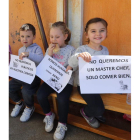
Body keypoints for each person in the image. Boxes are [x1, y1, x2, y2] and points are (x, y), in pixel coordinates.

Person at [66, 17, 109, 128]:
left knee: (101, 107)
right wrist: (79, 56)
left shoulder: (105, 50)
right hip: (85, 85)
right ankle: (86, 112)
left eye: (102, 30)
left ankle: (96, 112)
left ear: (106, 32)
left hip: (99, 84)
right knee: (99, 108)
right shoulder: (82, 49)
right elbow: (71, 63)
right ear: (87, 35)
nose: (98, 34)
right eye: (93, 31)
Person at [36, 21, 75, 140]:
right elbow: (46, 64)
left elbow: (74, 63)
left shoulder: (71, 50)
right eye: (51, 36)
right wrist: (50, 53)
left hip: (65, 81)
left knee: (62, 98)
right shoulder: (50, 49)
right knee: (40, 94)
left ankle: (62, 124)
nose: (54, 39)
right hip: (51, 79)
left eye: (57, 37)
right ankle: (49, 114)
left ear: (65, 36)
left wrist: (71, 66)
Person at [9, 23, 44, 122]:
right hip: (21, 76)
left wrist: (29, 54)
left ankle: (29, 107)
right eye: (22, 36)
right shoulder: (20, 49)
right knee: (8, 87)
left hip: (34, 77)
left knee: (26, 91)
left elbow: (41, 59)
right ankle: (19, 103)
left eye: (28, 36)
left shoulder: (37, 48)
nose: (25, 39)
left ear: (34, 36)